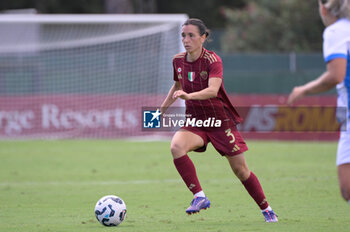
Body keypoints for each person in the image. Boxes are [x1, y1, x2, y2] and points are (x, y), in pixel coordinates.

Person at [160, 18, 278, 222]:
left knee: (241, 171)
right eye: (183, 36)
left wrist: (189, 96)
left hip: (219, 122)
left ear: (203, 37)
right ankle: (199, 197)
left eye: (191, 35)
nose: (186, 40)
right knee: (176, 147)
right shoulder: (177, 60)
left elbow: (213, 90)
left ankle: (266, 209)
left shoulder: (213, 60)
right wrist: (161, 110)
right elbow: (177, 86)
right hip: (195, 121)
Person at [288, 0, 350, 205]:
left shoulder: (336, 32)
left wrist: (304, 89)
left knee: (347, 187)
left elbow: (336, 75)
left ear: (323, 9)